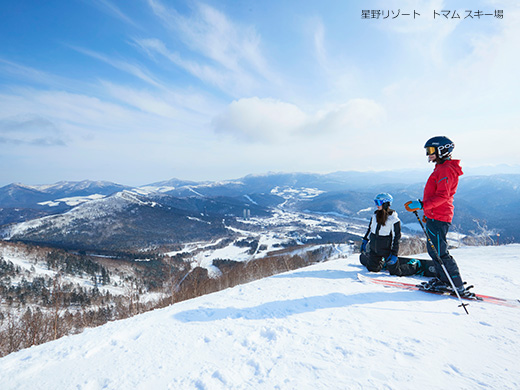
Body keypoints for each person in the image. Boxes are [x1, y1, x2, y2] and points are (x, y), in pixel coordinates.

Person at [405, 136, 470, 296]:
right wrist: (428, 213)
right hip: (435, 215)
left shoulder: (445, 169)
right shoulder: (441, 167)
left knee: (441, 252)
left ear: (442, 150)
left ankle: (457, 285)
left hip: (440, 216)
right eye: (427, 151)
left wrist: (422, 205)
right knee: (434, 251)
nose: (428, 154)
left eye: (431, 150)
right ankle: (444, 280)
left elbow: (443, 196)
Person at [360, 193, 436, 277]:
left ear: (385, 203)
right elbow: (369, 229)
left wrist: (394, 254)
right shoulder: (374, 216)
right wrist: (365, 240)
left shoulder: (393, 219)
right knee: (372, 269)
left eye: (378, 202)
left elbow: (397, 238)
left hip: (386, 250)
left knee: (396, 273)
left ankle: (414, 266)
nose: (376, 205)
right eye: (376, 202)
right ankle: (383, 263)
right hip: (374, 249)